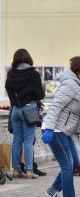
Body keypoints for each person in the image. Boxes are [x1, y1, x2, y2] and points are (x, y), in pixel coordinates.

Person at [42, 56, 80, 197]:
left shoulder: (78, 85)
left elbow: (73, 109)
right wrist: (49, 128)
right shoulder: (70, 85)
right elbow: (56, 106)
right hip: (56, 129)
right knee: (67, 165)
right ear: (78, 70)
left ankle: (53, 190)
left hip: (64, 130)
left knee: (75, 163)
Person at [5, 49, 45, 179]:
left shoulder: (11, 73)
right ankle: (29, 171)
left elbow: (8, 88)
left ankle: (16, 170)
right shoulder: (34, 74)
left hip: (15, 109)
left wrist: (16, 101)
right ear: (29, 58)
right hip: (29, 109)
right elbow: (40, 94)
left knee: (17, 140)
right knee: (29, 140)